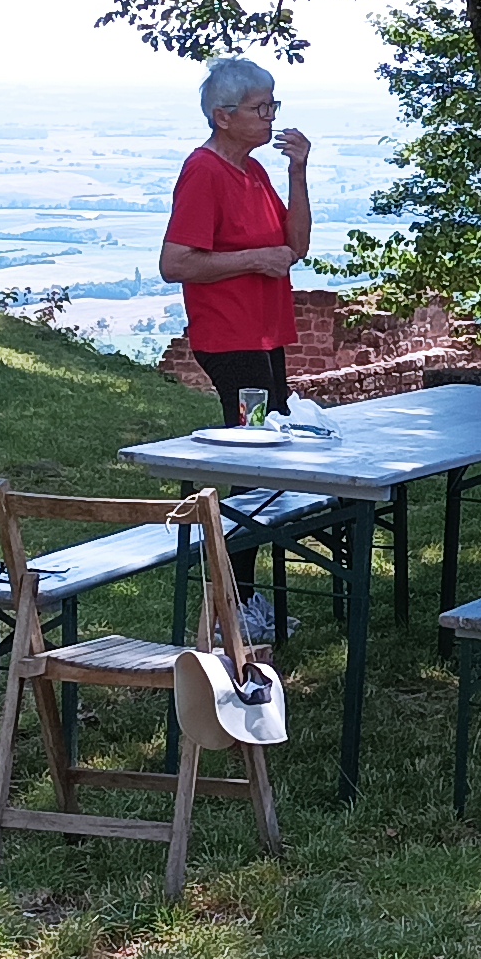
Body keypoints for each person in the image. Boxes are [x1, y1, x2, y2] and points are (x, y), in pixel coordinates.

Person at [159, 57, 315, 644]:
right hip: (231, 338)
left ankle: (247, 599)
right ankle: (235, 607)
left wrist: (298, 171)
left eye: (273, 105)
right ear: (223, 116)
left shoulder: (253, 171)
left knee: (267, 459)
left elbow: (295, 245)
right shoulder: (204, 171)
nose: (270, 116)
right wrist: (253, 260)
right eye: (259, 107)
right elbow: (175, 262)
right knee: (251, 463)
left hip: (267, 333)